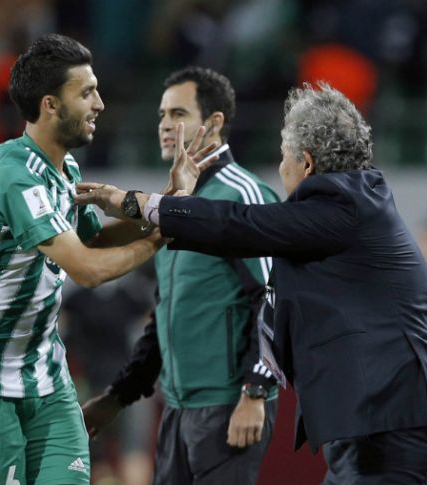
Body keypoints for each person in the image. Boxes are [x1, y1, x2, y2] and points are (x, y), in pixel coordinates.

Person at [77, 82, 427, 484]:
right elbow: (270, 294)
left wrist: (137, 203)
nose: (280, 169)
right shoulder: (344, 212)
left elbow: (239, 226)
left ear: (306, 162)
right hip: (370, 418)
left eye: (283, 157)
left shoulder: (341, 206)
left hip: (386, 419)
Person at [0, 34, 214, 485]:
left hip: (45, 380)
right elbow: (87, 269)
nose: (99, 103)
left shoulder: (65, 170)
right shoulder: (13, 174)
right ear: (50, 105)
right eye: (86, 92)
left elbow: (92, 242)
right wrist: (159, 240)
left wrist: (168, 205)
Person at [82, 66, 279, 485]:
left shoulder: (241, 194)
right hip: (176, 408)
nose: (166, 126)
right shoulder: (173, 207)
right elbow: (164, 317)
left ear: (214, 123)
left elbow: (274, 296)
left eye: (178, 114)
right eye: (161, 116)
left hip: (228, 404)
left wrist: (255, 392)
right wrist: (119, 398)